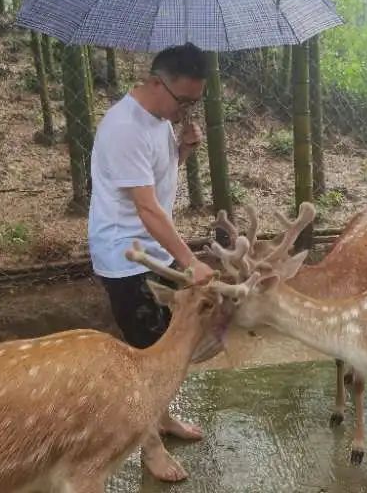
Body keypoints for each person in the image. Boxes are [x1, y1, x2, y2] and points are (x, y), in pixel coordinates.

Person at [88, 43, 215, 481]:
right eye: (185, 101)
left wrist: (182, 153)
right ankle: (150, 448)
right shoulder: (124, 127)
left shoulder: (160, 120)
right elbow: (147, 208)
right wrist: (190, 262)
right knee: (146, 357)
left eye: (194, 103)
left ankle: (161, 419)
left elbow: (156, 185)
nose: (187, 110)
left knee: (161, 348)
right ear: (158, 83)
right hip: (126, 256)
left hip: (153, 253)